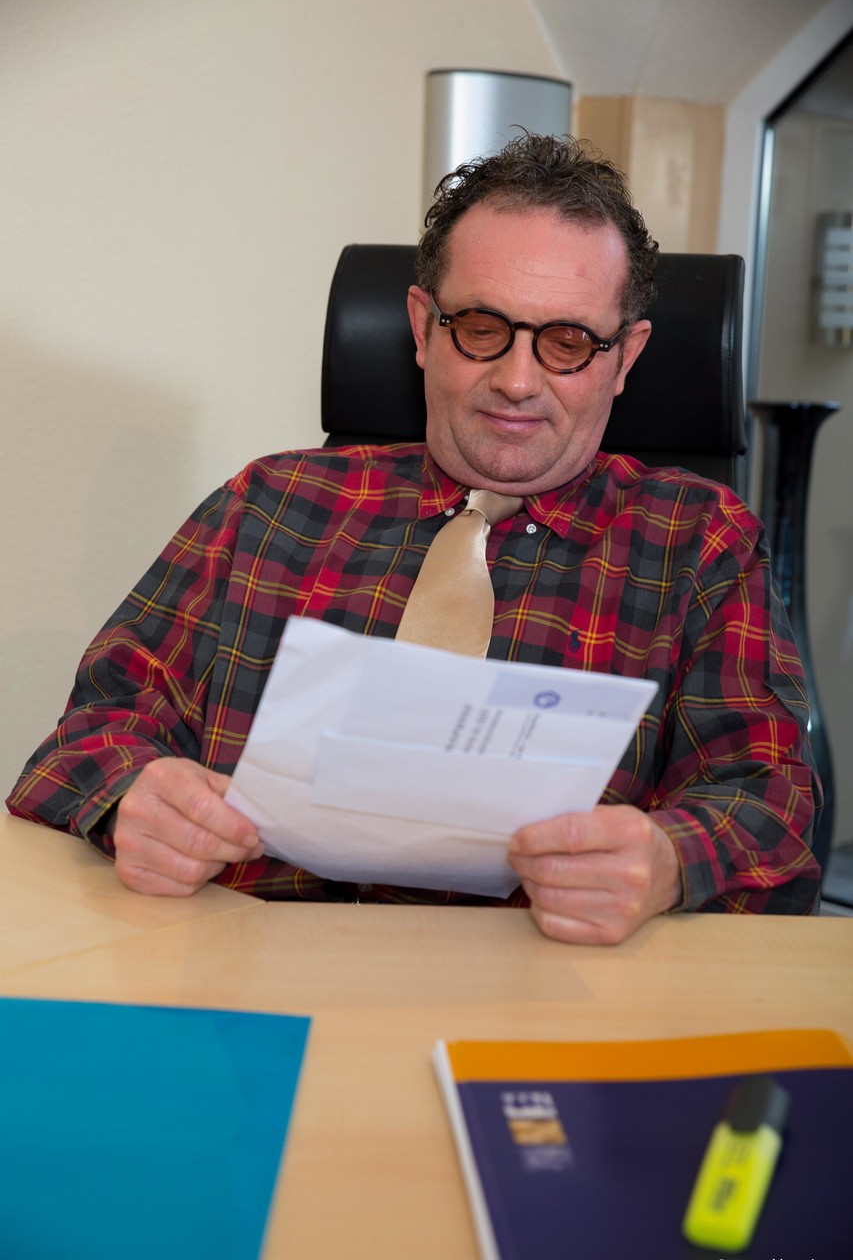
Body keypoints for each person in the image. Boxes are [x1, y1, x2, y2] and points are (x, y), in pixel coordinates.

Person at [7, 134, 821, 943]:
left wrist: (667, 860)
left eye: (567, 342)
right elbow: (90, 735)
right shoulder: (266, 506)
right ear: (423, 327)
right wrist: (134, 798)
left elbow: (769, 808)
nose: (516, 380)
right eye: (480, 327)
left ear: (624, 356)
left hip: (542, 978)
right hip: (244, 963)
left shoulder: (697, 542)